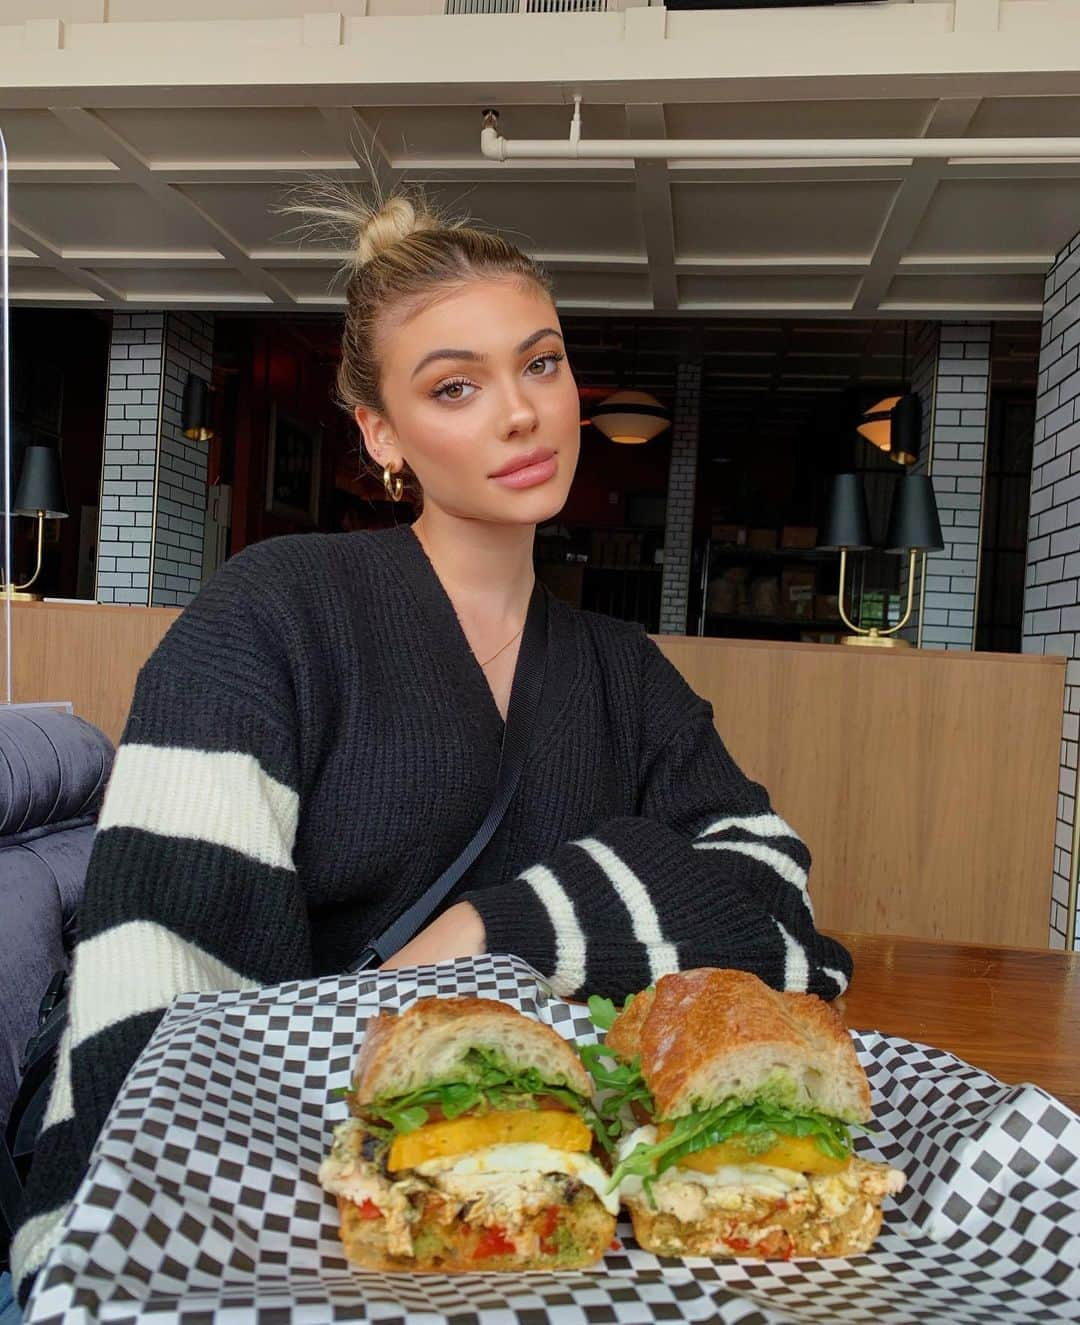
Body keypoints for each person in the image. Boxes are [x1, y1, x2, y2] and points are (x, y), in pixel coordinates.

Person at [8, 193, 853, 1307]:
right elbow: (163, 997)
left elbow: (778, 905)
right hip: (227, 1204)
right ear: (382, 434)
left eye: (540, 364)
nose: (520, 413)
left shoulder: (623, 672)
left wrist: (492, 930)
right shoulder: (272, 615)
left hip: (535, 1226)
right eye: (455, 385)